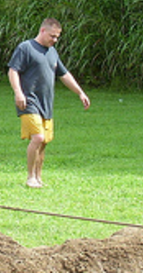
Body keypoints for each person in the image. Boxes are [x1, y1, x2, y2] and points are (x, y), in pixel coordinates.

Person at [8, 17, 91, 188]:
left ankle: (38, 177)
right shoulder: (26, 48)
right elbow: (13, 70)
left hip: (46, 103)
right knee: (37, 137)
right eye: (52, 36)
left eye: (57, 37)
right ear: (42, 31)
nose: (55, 40)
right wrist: (18, 93)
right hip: (29, 101)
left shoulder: (52, 52)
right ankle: (30, 177)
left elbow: (64, 75)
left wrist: (80, 92)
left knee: (44, 141)